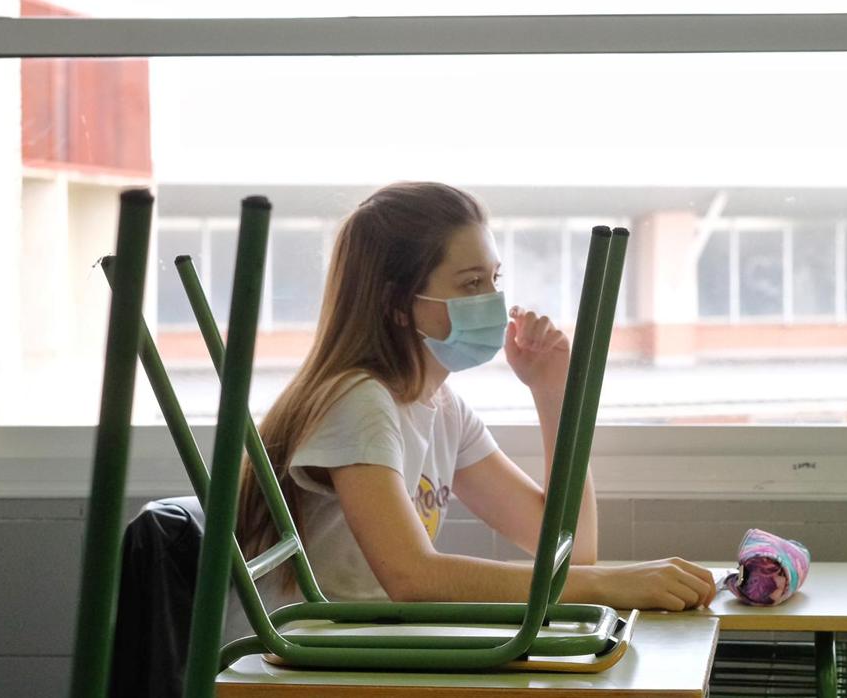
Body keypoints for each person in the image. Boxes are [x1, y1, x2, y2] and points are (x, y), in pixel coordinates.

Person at [225, 182, 715, 640]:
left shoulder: (441, 408)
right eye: (470, 283)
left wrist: (553, 394)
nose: (494, 302)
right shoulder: (358, 400)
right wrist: (610, 586)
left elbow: (572, 549)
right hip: (313, 665)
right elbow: (413, 578)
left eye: (494, 278)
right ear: (397, 303)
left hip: (377, 649)